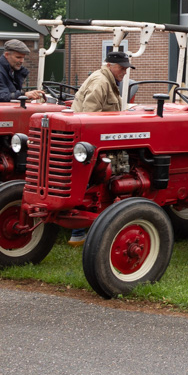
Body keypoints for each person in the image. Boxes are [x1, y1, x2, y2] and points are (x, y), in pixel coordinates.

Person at [67, 50, 134, 245]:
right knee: (94, 183)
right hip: (93, 144)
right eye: (121, 68)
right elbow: (90, 117)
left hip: (96, 142)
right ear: (109, 65)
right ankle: (79, 232)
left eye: (125, 68)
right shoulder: (100, 82)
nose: (123, 71)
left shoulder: (108, 81)